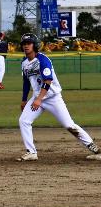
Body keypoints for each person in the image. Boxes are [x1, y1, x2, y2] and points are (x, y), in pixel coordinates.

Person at [16, 33, 101, 162]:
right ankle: (31, 152)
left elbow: (48, 81)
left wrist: (39, 99)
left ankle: (95, 148)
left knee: (69, 125)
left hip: (52, 98)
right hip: (37, 98)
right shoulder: (24, 62)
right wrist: (24, 99)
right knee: (24, 121)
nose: (26, 46)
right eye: (24, 44)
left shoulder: (42, 60)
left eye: (29, 43)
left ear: (35, 45)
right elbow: (26, 82)